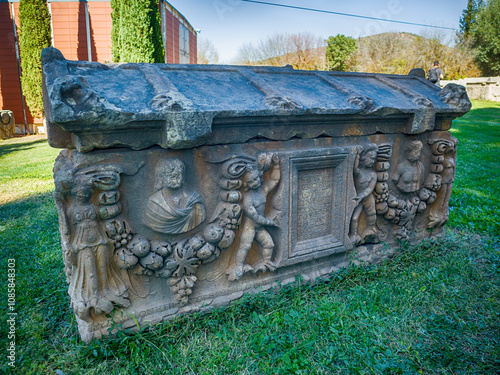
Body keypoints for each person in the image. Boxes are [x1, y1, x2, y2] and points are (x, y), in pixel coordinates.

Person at [143, 158, 206, 234]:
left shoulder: (195, 202)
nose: (175, 179)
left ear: (183, 177)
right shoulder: (153, 204)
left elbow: (199, 216)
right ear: (161, 178)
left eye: (178, 175)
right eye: (170, 175)